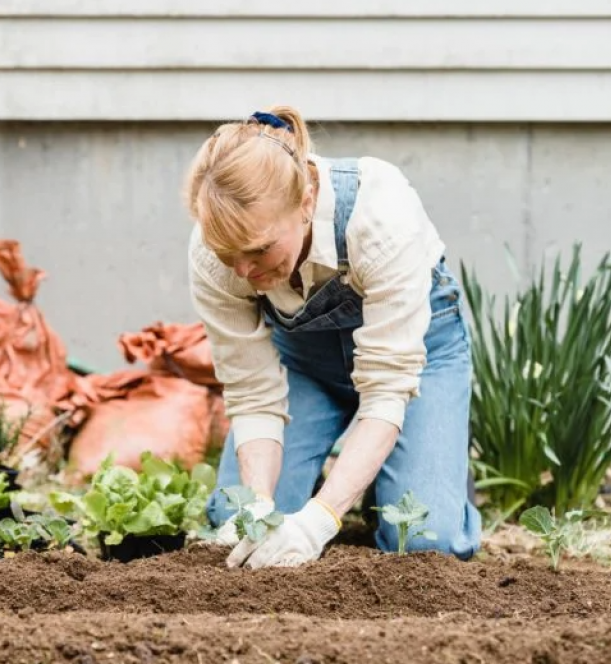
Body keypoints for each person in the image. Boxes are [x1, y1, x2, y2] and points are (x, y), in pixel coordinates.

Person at [182, 105, 481, 570]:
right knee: (235, 519)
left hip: (418, 363)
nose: (244, 271)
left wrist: (320, 520)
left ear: (305, 202)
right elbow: (252, 395)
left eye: (259, 250)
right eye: (229, 254)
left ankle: (416, 467)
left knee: (424, 540)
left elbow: (385, 390)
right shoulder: (213, 254)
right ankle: (367, 473)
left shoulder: (379, 215)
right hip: (306, 368)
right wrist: (260, 507)